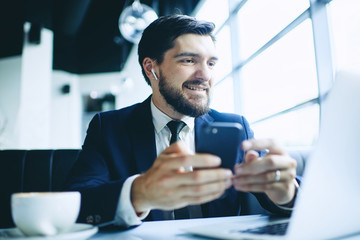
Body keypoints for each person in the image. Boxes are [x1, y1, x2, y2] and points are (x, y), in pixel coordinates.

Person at [65, 14, 298, 228]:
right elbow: (77, 202)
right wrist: (140, 193)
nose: (205, 75)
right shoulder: (108, 128)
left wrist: (286, 193)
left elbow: (274, 188)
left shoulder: (235, 128)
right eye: (189, 60)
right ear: (151, 68)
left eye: (211, 63)